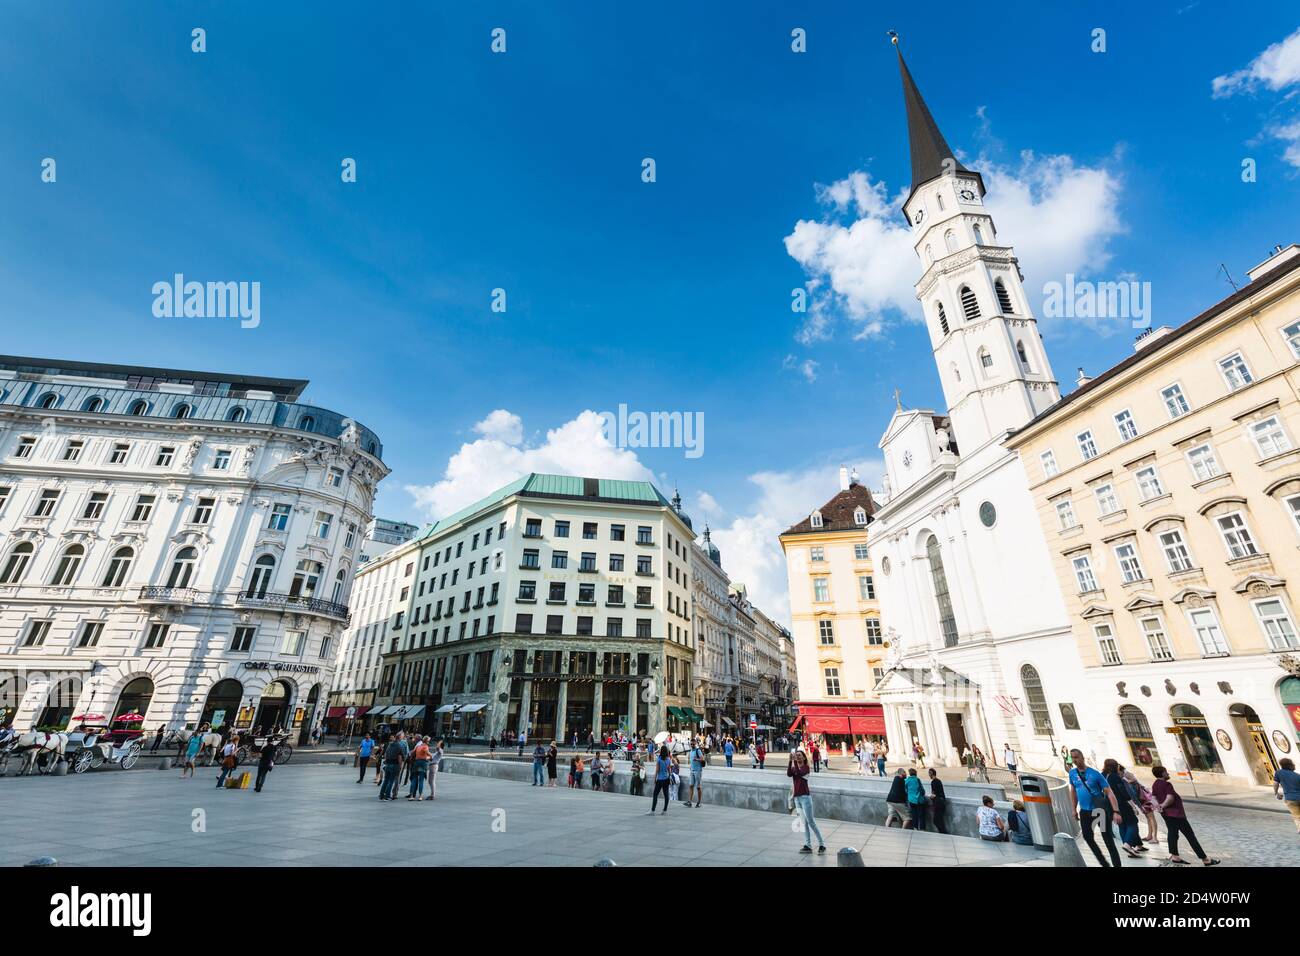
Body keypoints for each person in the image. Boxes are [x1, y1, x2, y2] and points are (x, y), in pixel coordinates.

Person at [1150, 765, 1220, 865]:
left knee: (1173, 834)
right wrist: (1162, 806)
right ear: (1162, 773)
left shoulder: (1155, 784)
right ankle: (1205, 859)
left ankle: (1175, 857)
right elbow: (1170, 798)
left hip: (1166, 815)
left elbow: (1153, 797)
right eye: (1166, 772)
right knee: (1190, 836)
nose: (1168, 773)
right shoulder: (1167, 784)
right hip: (1176, 814)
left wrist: (1158, 806)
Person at [1067, 749, 1122, 867]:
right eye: (1073, 758)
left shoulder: (1095, 774)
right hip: (1085, 812)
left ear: (1082, 757)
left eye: (1077, 757)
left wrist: (1116, 812)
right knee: (1087, 837)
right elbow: (1073, 792)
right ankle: (1104, 863)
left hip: (1099, 812)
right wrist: (1073, 809)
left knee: (1108, 840)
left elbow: (1109, 792)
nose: (1075, 760)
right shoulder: (1072, 773)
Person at [1102, 758, 1145, 857]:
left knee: (1122, 825)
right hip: (1120, 804)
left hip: (1109, 806)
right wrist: (1131, 803)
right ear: (1115, 766)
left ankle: (1128, 846)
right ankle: (1128, 844)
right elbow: (1123, 792)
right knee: (1133, 822)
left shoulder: (1102, 776)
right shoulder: (1114, 777)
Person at [787, 749, 826, 854]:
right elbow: (789, 774)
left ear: (804, 758)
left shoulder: (806, 768)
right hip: (797, 798)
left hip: (805, 797)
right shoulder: (795, 767)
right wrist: (790, 761)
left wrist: (794, 761)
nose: (798, 757)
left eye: (799, 756)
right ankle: (808, 845)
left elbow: (799, 774)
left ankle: (822, 844)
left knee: (811, 821)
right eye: (796, 755)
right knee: (804, 822)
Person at [1125, 768, 1160, 844]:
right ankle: (1150, 835)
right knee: (1148, 818)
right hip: (1143, 801)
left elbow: (1134, 782)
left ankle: (1155, 838)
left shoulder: (1128, 777)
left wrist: (1126, 781)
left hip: (1144, 801)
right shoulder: (1128, 777)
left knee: (1151, 818)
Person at [1273, 757, 1300, 833]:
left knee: (1297, 816)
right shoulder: (1297, 775)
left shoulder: (1279, 772)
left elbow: (1275, 784)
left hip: (1290, 799)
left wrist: (1276, 793)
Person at [379, 731, 408, 801]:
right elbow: (400, 757)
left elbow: (386, 755)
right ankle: (387, 796)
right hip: (395, 764)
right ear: (400, 737)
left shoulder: (390, 744)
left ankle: (381, 794)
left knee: (386, 780)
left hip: (388, 764)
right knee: (391, 781)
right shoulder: (399, 746)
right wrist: (400, 765)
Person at [650, 745, 673, 814]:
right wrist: (670, 777)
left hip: (660, 779)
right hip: (666, 779)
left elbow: (657, 770)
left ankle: (652, 810)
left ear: (661, 751)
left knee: (655, 795)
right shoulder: (668, 759)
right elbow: (669, 769)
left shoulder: (659, 759)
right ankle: (664, 810)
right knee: (666, 795)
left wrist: (654, 779)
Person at [407, 736, 431, 801]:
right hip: (423, 764)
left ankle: (411, 795)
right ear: (426, 741)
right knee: (421, 780)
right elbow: (428, 754)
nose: (429, 742)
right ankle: (420, 796)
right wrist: (430, 757)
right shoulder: (425, 746)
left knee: (414, 780)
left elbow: (412, 754)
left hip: (416, 763)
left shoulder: (417, 747)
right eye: (428, 741)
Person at [927, 768, 948, 834]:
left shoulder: (933, 782)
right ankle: (943, 832)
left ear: (931, 773)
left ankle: (943, 833)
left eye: (929, 773)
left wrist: (930, 796)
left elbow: (934, 794)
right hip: (941, 802)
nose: (928, 775)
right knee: (939, 819)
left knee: (936, 820)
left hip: (938, 803)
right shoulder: (939, 781)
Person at [688, 739, 706, 807]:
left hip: (698, 771)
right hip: (692, 770)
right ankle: (690, 801)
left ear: (695, 744)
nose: (692, 745)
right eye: (691, 744)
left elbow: (703, 759)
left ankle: (699, 802)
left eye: (693, 744)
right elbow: (691, 761)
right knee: (691, 785)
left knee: (698, 787)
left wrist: (697, 759)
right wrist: (690, 767)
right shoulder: (690, 751)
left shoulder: (698, 750)